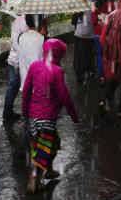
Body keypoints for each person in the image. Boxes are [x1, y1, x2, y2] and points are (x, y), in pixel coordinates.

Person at [22, 38, 79, 194]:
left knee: (40, 148)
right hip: (47, 119)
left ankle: (48, 171)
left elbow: (26, 91)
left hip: (33, 117)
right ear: (59, 54)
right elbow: (64, 96)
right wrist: (74, 116)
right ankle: (34, 179)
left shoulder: (34, 66)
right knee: (46, 149)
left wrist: (25, 113)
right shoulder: (57, 71)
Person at [3, 16, 28, 121]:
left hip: (25, 60)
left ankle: (26, 113)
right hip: (16, 61)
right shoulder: (19, 22)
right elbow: (15, 43)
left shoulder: (36, 19)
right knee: (13, 86)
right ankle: (7, 113)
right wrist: (20, 62)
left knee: (21, 86)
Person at [91, 0, 115, 84]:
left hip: (97, 34)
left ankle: (102, 76)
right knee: (109, 55)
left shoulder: (95, 6)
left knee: (99, 56)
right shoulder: (111, 5)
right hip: (108, 35)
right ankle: (110, 73)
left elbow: (93, 21)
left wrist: (99, 19)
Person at [18, 14, 46, 89]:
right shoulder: (41, 38)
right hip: (38, 79)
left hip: (25, 78)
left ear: (26, 22)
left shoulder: (20, 37)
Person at [72, 0, 95, 84]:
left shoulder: (79, 5)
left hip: (78, 35)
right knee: (86, 56)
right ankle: (85, 73)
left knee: (79, 57)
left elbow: (73, 22)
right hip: (87, 36)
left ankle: (80, 75)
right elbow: (93, 19)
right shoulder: (91, 4)